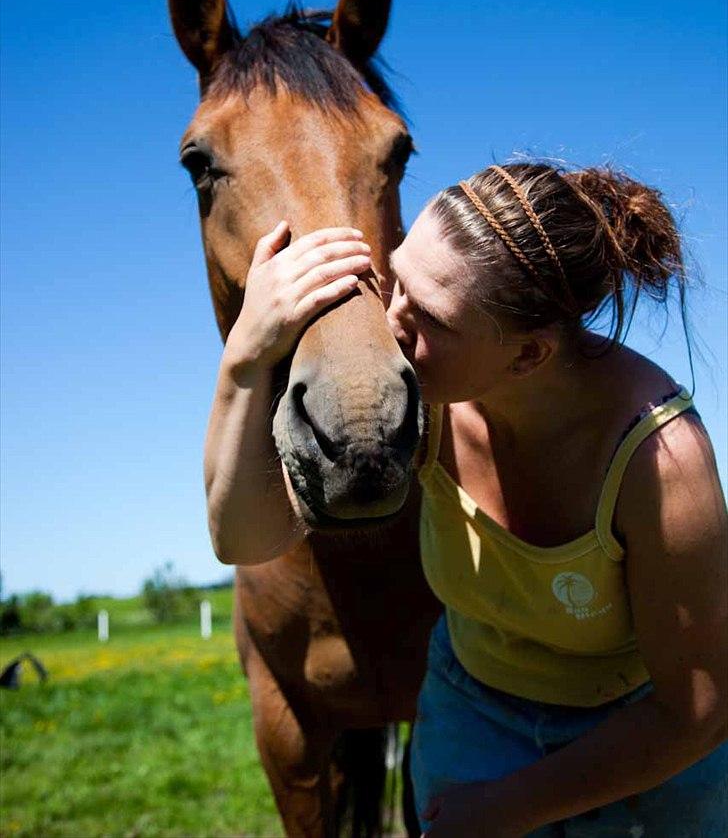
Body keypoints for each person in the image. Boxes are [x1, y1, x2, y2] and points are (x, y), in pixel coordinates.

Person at [204, 161, 727, 836]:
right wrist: (245, 358)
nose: (388, 328)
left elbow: (699, 710)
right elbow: (242, 539)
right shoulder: (422, 402)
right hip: (473, 710)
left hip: (642, 737)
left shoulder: (661, 461)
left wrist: (507, 807)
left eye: (428, 319)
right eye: (396, 285)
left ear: (528, 356)